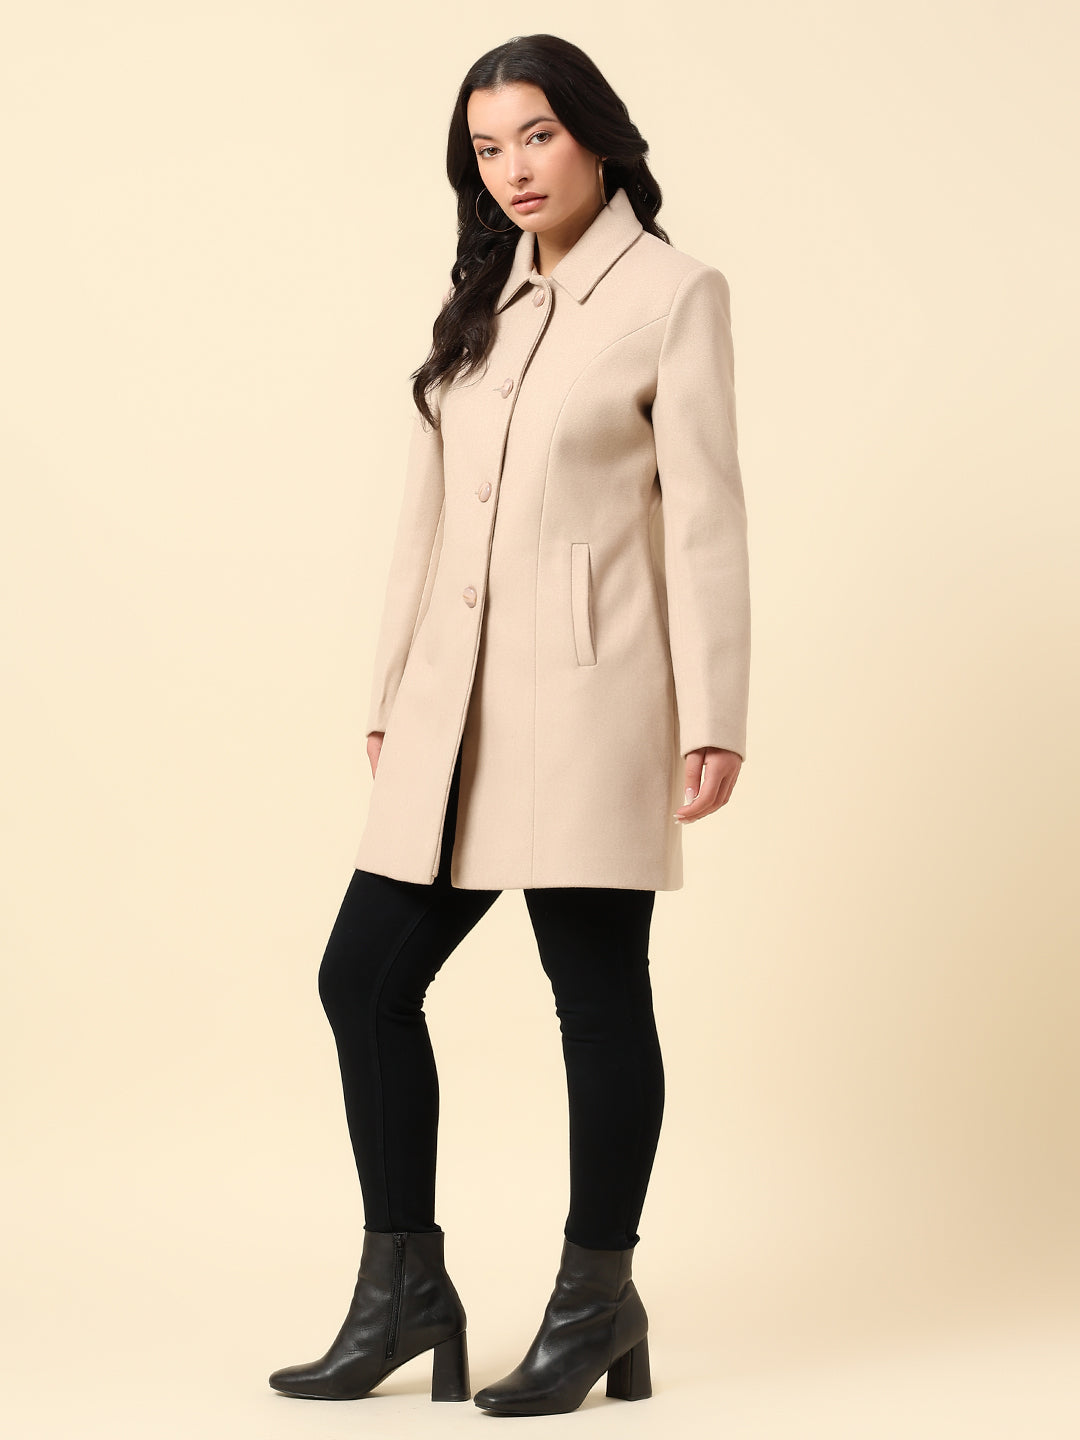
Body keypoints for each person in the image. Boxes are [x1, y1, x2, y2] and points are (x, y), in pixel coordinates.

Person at [268, 32, 751, 1418]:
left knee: (595, 996)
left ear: (594, 134)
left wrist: (715, 712)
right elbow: (423, 519)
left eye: (535, 134)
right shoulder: (481, 298)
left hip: (592, 698)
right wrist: (391, 693)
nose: (514, 168)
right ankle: (402, 1290)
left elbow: (706, 513)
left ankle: (596, 1297)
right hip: (453, 704)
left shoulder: (672, 294)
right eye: (487, 148)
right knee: (362, 979)